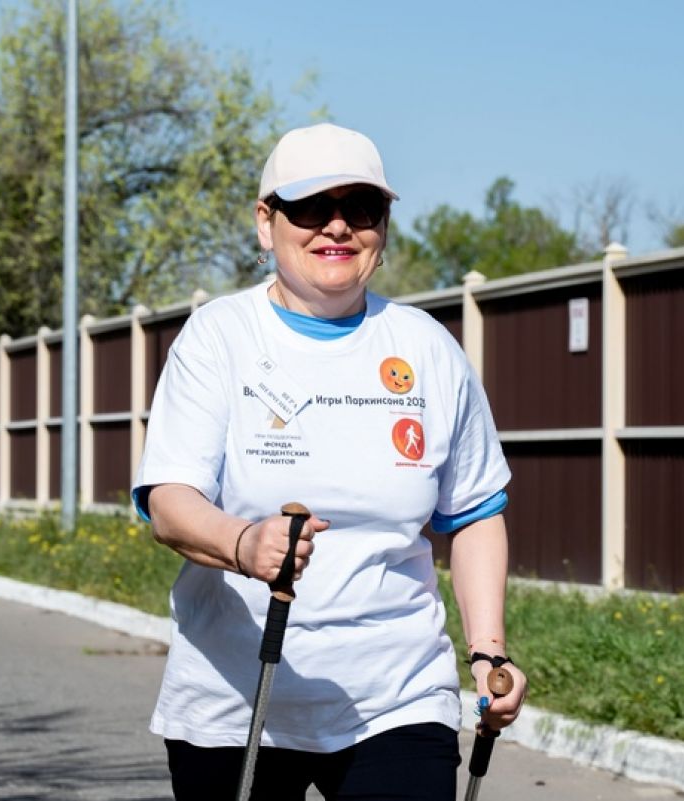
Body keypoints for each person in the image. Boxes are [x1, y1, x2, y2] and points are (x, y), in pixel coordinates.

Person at [131, 122, 526, 800]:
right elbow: (170, 502)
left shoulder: (427, 348)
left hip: (398, 698)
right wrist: (243, 543)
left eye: (361, 208)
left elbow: (472, 513)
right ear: (267, 222)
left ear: (383, 228)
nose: (338, 226)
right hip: (237, 701)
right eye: (313, 207)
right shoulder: (219, 337)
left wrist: (489, 650)